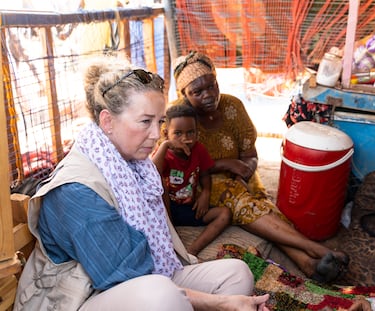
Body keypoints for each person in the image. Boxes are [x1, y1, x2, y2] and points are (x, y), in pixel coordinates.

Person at [13, 56, 270, 311]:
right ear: (107, 122)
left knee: (237, 274)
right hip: (81, 298)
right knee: (161, 296)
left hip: (146, 280)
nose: (157, 135)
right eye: (145, 121)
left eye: (160, 122)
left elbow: (153, 264)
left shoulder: (136, 166)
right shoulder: (76, 190)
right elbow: (128, 275)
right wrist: (221, 302)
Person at [170, 50, 350, 284]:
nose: (209, 95)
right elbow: (181, 166)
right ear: (184, 94)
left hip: (238, 178)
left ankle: (309, 264)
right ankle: (315, 249)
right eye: (197, 92)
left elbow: (250, 155)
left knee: (265, 211)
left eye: (212, 86)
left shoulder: (232, 106)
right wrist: (226, 164)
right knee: (241, 201)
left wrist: (246, 169)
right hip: (200, 185)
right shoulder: (179, 119)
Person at [151, 104, 232, 256]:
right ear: (166, 133)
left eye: (190, 133)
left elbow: (204, 174)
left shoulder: (199, 150)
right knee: (160, 183)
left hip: (190, 208)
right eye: (178, 133)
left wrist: (206, 192)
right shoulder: (164, 153)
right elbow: (151, 173)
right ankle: (171, 234)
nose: (185, 139)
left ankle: (192, 251)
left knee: (225, 214)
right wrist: (166, 145)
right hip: (166, 211)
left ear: (197, 133)